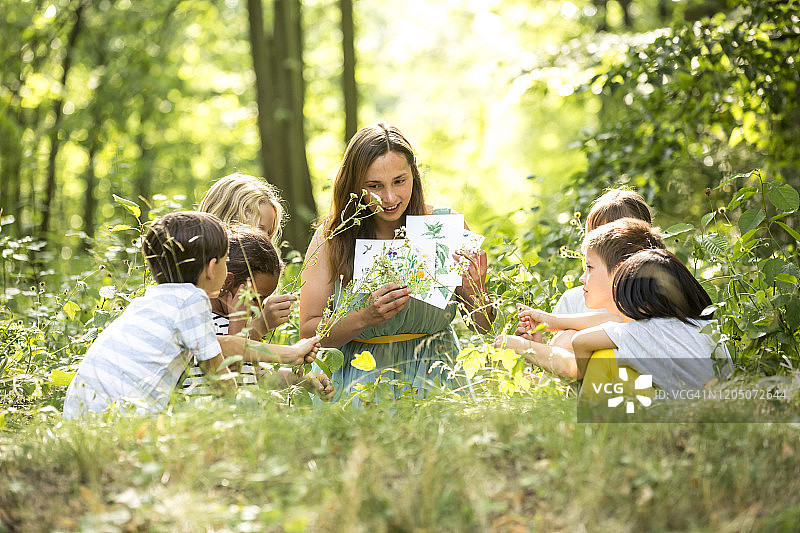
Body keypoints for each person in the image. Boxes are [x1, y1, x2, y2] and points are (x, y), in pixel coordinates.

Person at [299, 122, 494, 401]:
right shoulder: (333, 238)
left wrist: (476, 290)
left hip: (438, 379)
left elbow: (483, 327)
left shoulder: (447, 225)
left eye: (399, 181)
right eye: (374, 186)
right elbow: (307, 332)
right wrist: (365, 317)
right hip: (360, 384)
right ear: (355, 184)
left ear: (414, 170)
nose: (389, 198)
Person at [63, 212, 321, 418]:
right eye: (224, 259)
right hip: (119, 417)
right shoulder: (192, 301)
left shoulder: (155, 300)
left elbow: (223, 344)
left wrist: (290, 354)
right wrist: (249, 411)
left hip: (82, 408)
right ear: (212, 268)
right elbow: (220, 376)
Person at [495, 218, 665, 379]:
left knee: (570, 339)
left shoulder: (640, 328)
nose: (582, 278)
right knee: (568, 337)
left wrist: (522, 347)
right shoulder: (639, 318)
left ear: (620, 272)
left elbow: (570, 367)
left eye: (590, 267)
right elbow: (611, 320)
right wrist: (549, 323)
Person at [182, 225, 334, 400]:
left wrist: (301, 379)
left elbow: (254, 375)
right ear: (227, 280)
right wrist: (237, 322)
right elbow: (229, 379)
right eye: (255, 298)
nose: (259, 309)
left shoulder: (232, 322)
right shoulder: (201, 320)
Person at [198, 173, 296, 337]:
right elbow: (224, 358)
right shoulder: (195, 304)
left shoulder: (250, 296)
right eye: (257, 229)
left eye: (268, 233)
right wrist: (259, 327)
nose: (265, 241)